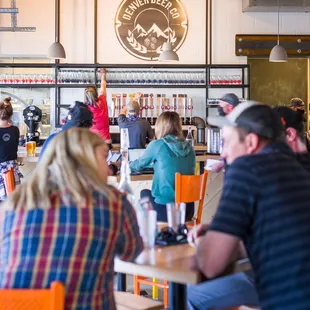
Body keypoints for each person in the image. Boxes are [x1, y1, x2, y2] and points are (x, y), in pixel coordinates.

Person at [0, 128, 143, 310]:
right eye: (103, 157)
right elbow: (131, 252)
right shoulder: (112, 202)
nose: (108, 170)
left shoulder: (17, 201)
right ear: (86, 160)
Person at [188, 102, 310, 310]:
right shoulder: (297, 167)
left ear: (252, 142)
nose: (223, 154)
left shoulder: (247, 169)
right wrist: (224, 230)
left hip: (290, 300)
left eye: (227, 142)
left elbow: (209, 264)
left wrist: (203, 243)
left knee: (188, 292)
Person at [130, 111, 196, 222]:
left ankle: (152, 234)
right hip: (187, 211)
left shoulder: (157, 144)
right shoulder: (190, 147)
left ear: (160, 126)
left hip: (166, 212)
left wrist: (124, 165)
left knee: (144, 193)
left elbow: (138, 165)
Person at [210, 93, 240, 172]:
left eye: (221, 104)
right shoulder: (228, 123)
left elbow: (239, 152)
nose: (219, 107)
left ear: (230, 107)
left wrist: (222, 163)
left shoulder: (237, 124)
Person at [0, 98, 22, 201]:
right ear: (11, 115)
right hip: (12, 170)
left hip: (1, 170)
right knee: (13, 202)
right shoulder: (15, 130)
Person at [85, 69, 112, 146]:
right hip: (106, 142)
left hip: (93, 143)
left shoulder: (86, 109)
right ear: (96, 93)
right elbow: (103, 87)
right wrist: (103, 75)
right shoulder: (102, 100)